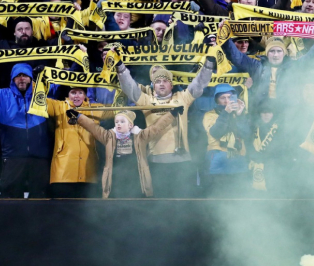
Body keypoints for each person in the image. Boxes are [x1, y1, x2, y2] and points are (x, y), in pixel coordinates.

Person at [115, 59, 214, 198]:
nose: (161, 84)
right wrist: (121, 69)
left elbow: (199, 84)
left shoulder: (182, 98)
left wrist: (208, 66)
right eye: (158, 81)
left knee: (183, 202)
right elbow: (129, 87)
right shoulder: (146, 100)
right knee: (160, 202)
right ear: (153, 85)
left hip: (182, 161)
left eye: (165, 81)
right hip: (156, 162)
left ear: (171, 85)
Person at [0, 63, 51, 198]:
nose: (21, 78)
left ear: (31, 78)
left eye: (25, 75)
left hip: (39, 157)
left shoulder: (42, 93)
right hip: (13, 157)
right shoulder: (2, 95)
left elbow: (64, 84)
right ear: (12, 79)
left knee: (40, 198)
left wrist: (47, 74)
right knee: (10, 198)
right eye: (18, 76)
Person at [73, 108, 180, 198]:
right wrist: (78, 116)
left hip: (136, 179)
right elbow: (93, 128)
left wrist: (172, 114)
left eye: (122, 121)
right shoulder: (108, 136)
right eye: (117, 122)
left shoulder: (141, 136)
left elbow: (156, 128)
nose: (118, 124)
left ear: (130, 125)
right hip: (115, 180)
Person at [45, 86, 113, 198]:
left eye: (80, 92)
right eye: (73, 92)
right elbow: (38, 99)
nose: (76, 96)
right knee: (61, 208)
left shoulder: (94, 109)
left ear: (85, 95)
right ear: (68, 95)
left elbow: (117, 109)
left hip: (89, 173)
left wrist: (118, 85)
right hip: (63, 173)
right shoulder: (59, 106)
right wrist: (36, 81)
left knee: (86, 208)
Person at [203, 84, 251, 197]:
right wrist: (226, 112)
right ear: (217, 100)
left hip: (238, 160)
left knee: (239, 196)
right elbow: (216, 133)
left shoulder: (238, 114)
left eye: (229, 97)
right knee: (216, 195)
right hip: (217, 160)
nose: (227, 101)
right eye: (222, 98)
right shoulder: (209, 115)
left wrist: (239, 115)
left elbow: (246, 134)